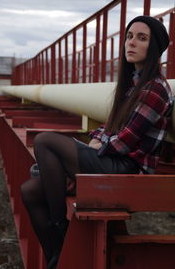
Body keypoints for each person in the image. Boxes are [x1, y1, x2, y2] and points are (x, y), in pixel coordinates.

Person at [20, 15, 173, 269]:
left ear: (154, 47)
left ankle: (59, 227)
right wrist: (95, 142)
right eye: (129, 36)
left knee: (46, 141)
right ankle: (57, 257)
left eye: (141, 38)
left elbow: (124, 142)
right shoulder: (133, 85)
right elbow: (110, 127)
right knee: (30, 191)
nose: (131, 43)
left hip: (127, 170)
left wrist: (93, 146)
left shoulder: (154, 89)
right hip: (113, 161)